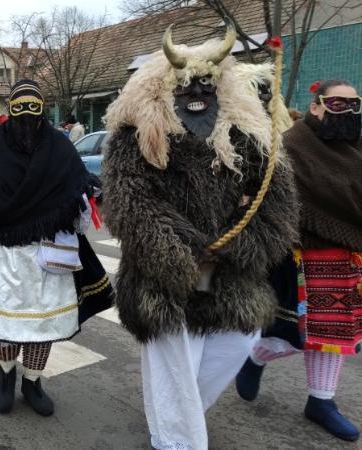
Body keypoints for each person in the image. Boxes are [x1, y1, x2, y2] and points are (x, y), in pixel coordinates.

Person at [102, 25, 298, 449]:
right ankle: (175, 440)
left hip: (233, 279)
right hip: (165, 280)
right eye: (185, 82)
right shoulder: (136, 138)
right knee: (176, 370)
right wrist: (186, 251)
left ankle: (174, 422)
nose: (196, 90)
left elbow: (277, 206)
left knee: (230, 349)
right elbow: (129, 204)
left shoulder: (252, 140)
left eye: (206, 82)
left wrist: (234, 245)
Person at [0, 80, 113, 417]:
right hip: (6, 251)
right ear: (11, 112)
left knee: (45, 324)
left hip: (50, 249)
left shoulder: (58, 145)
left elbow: (78, 186)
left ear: (42, 112)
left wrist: (81, 201)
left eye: (33, 112)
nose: (27, 122)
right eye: (20, 112)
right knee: (8, 324)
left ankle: (33, 380)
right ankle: (6, 374)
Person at [235, 80, 362, 442]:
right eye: (339, 103)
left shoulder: (359, 148)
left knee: (337, 336)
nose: (348, 111)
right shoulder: (291, 146)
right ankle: (255, 357)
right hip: (302, 256)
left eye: (355, 105)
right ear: (317, 106)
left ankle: (321, 401)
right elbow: (273, 200)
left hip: (350, 257)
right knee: (294, 336)